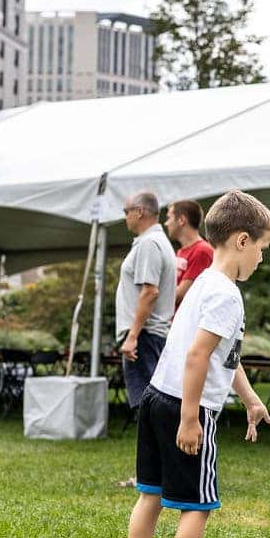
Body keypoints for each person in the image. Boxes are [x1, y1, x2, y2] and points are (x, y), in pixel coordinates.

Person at [109, 190, 270, 538]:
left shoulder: (205, 283)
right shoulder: (227, 295)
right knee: (196, 507)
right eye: (261, 248)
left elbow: (223, 356)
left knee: (150, 494)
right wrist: (190, 419)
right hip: (188, 407)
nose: (261, 258)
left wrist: (251, 399)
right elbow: (197, 357)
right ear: (242, 241)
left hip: (155, 398)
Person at [116, 191, 178, 487]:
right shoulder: (154, 242)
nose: (124, 216)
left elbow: (149, 292)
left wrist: (132, 336)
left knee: (148, 407)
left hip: (145, 336)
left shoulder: (150, 244)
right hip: (149, 335)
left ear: (140, 212)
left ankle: (155, 474)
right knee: (152, 407)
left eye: (126, 210)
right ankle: (156, 472)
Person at [165, 199, 215, 309]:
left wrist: (152, 296)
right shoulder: (181, 252)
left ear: (181, 220)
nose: (166, 223)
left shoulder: (202, 251)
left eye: (169, 218)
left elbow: (180, 296)